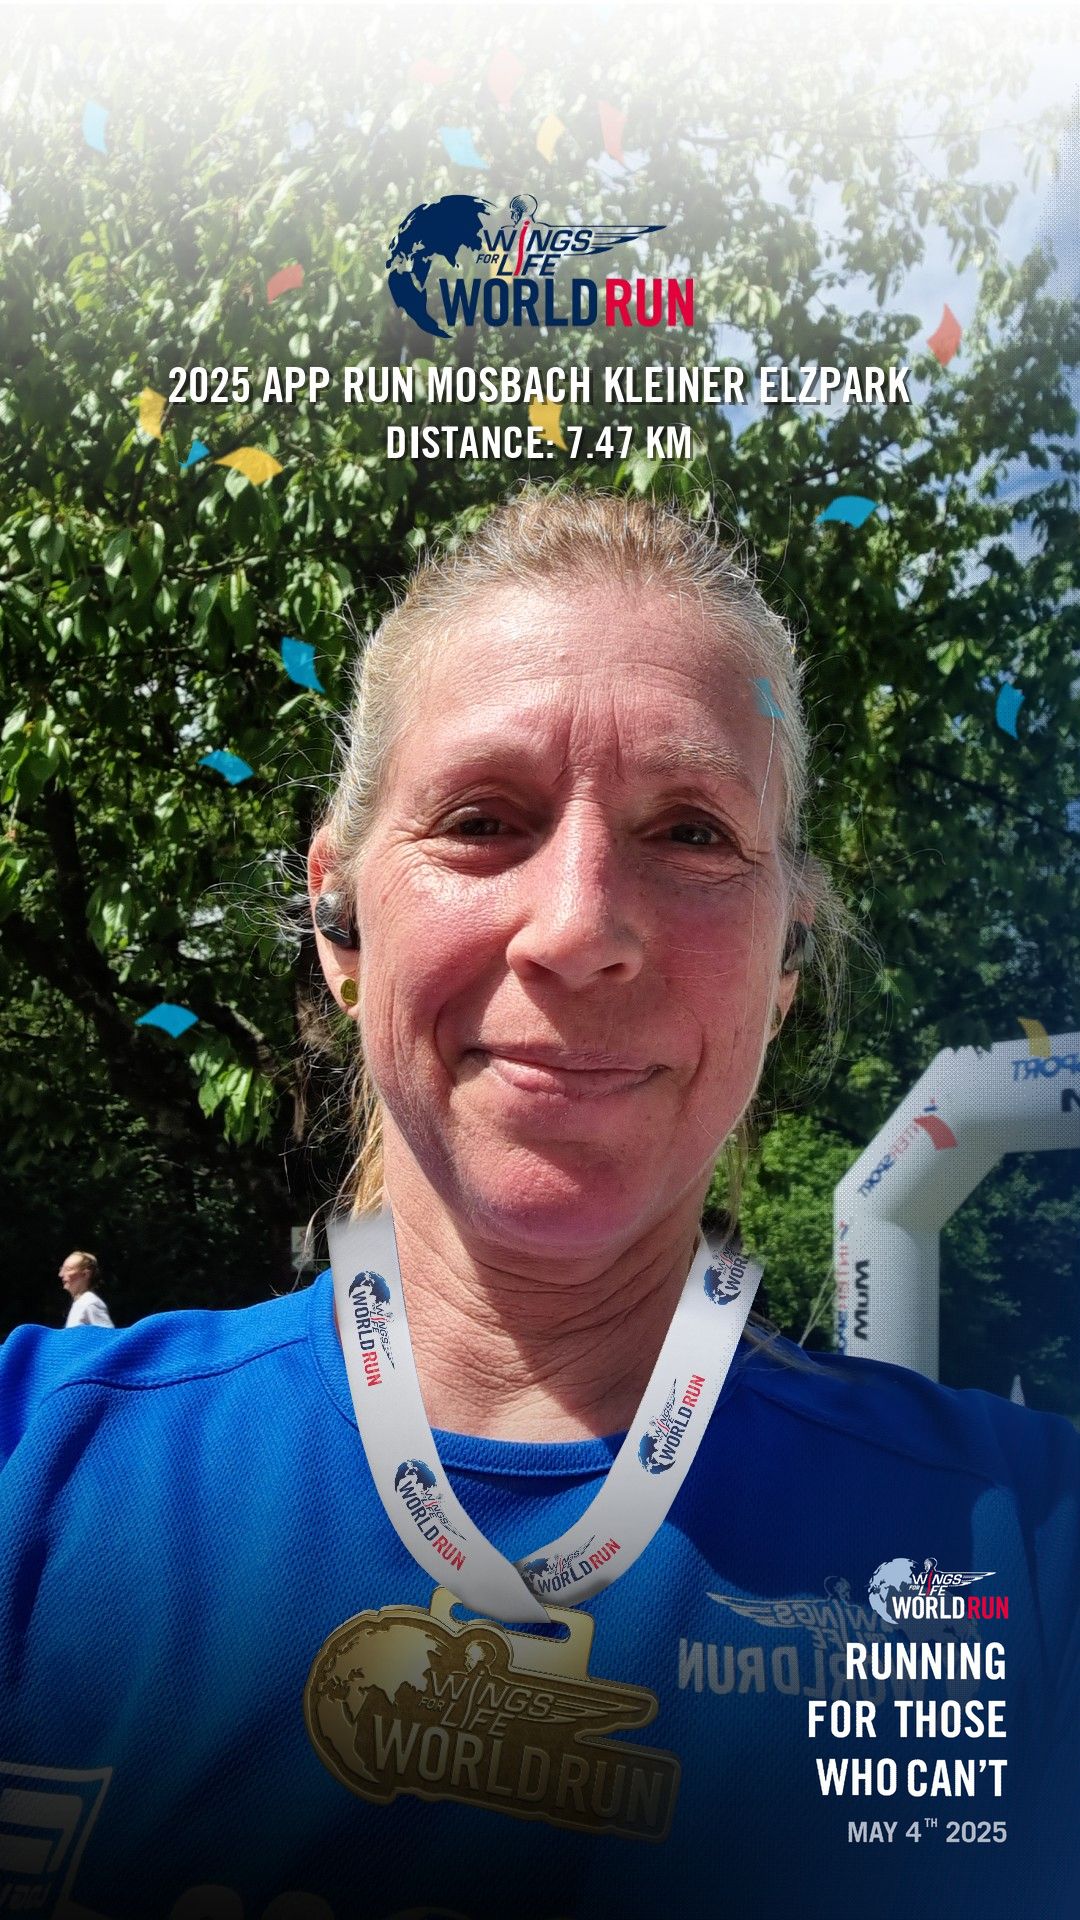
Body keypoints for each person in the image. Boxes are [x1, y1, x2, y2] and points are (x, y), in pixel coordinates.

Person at [0, 490, 1076, 1920]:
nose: (579, 927)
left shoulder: (1030, 1558)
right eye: (482, 820)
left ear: (785, 962)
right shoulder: (30, 1469)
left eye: (691, 831)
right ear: (339, 918)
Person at [58, 1249, 114, 1327]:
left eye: (68, 1269)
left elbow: (106, 1333)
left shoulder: (90, 1303)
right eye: (62, 1269)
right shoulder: (80, 1302)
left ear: (86, 1274)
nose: (60, 1274)